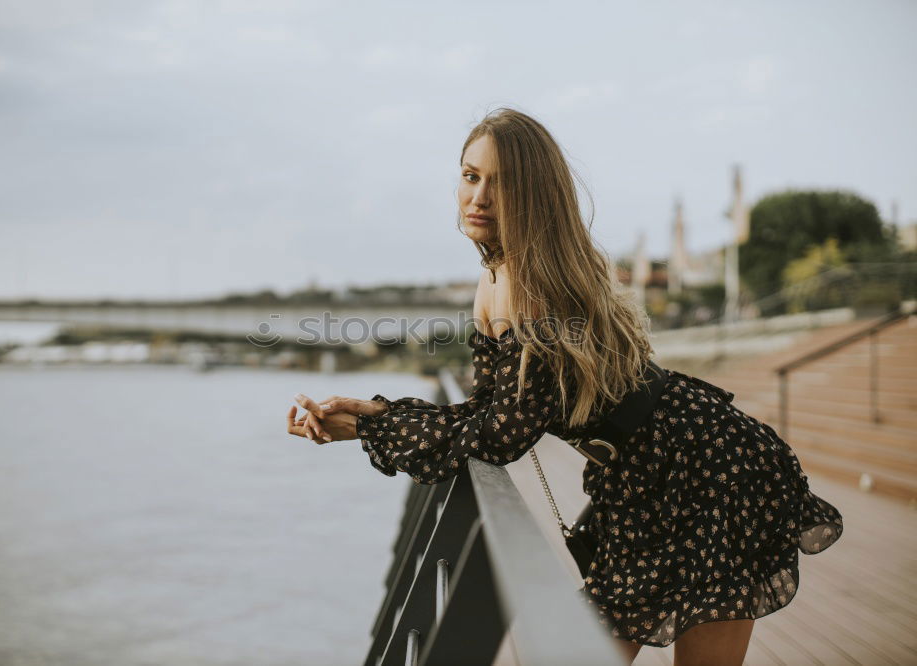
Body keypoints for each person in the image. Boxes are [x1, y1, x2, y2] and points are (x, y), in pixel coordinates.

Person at [285, 107, 843, 665]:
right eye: (470, 175)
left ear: (535, 195)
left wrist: (371, 425)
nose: (478, 197)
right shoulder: (495, 276)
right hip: (645, 476)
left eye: (501, 184)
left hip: (710, 465)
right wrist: (369, 419)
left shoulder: (534, 285)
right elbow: (487, 409)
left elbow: (501, 437)